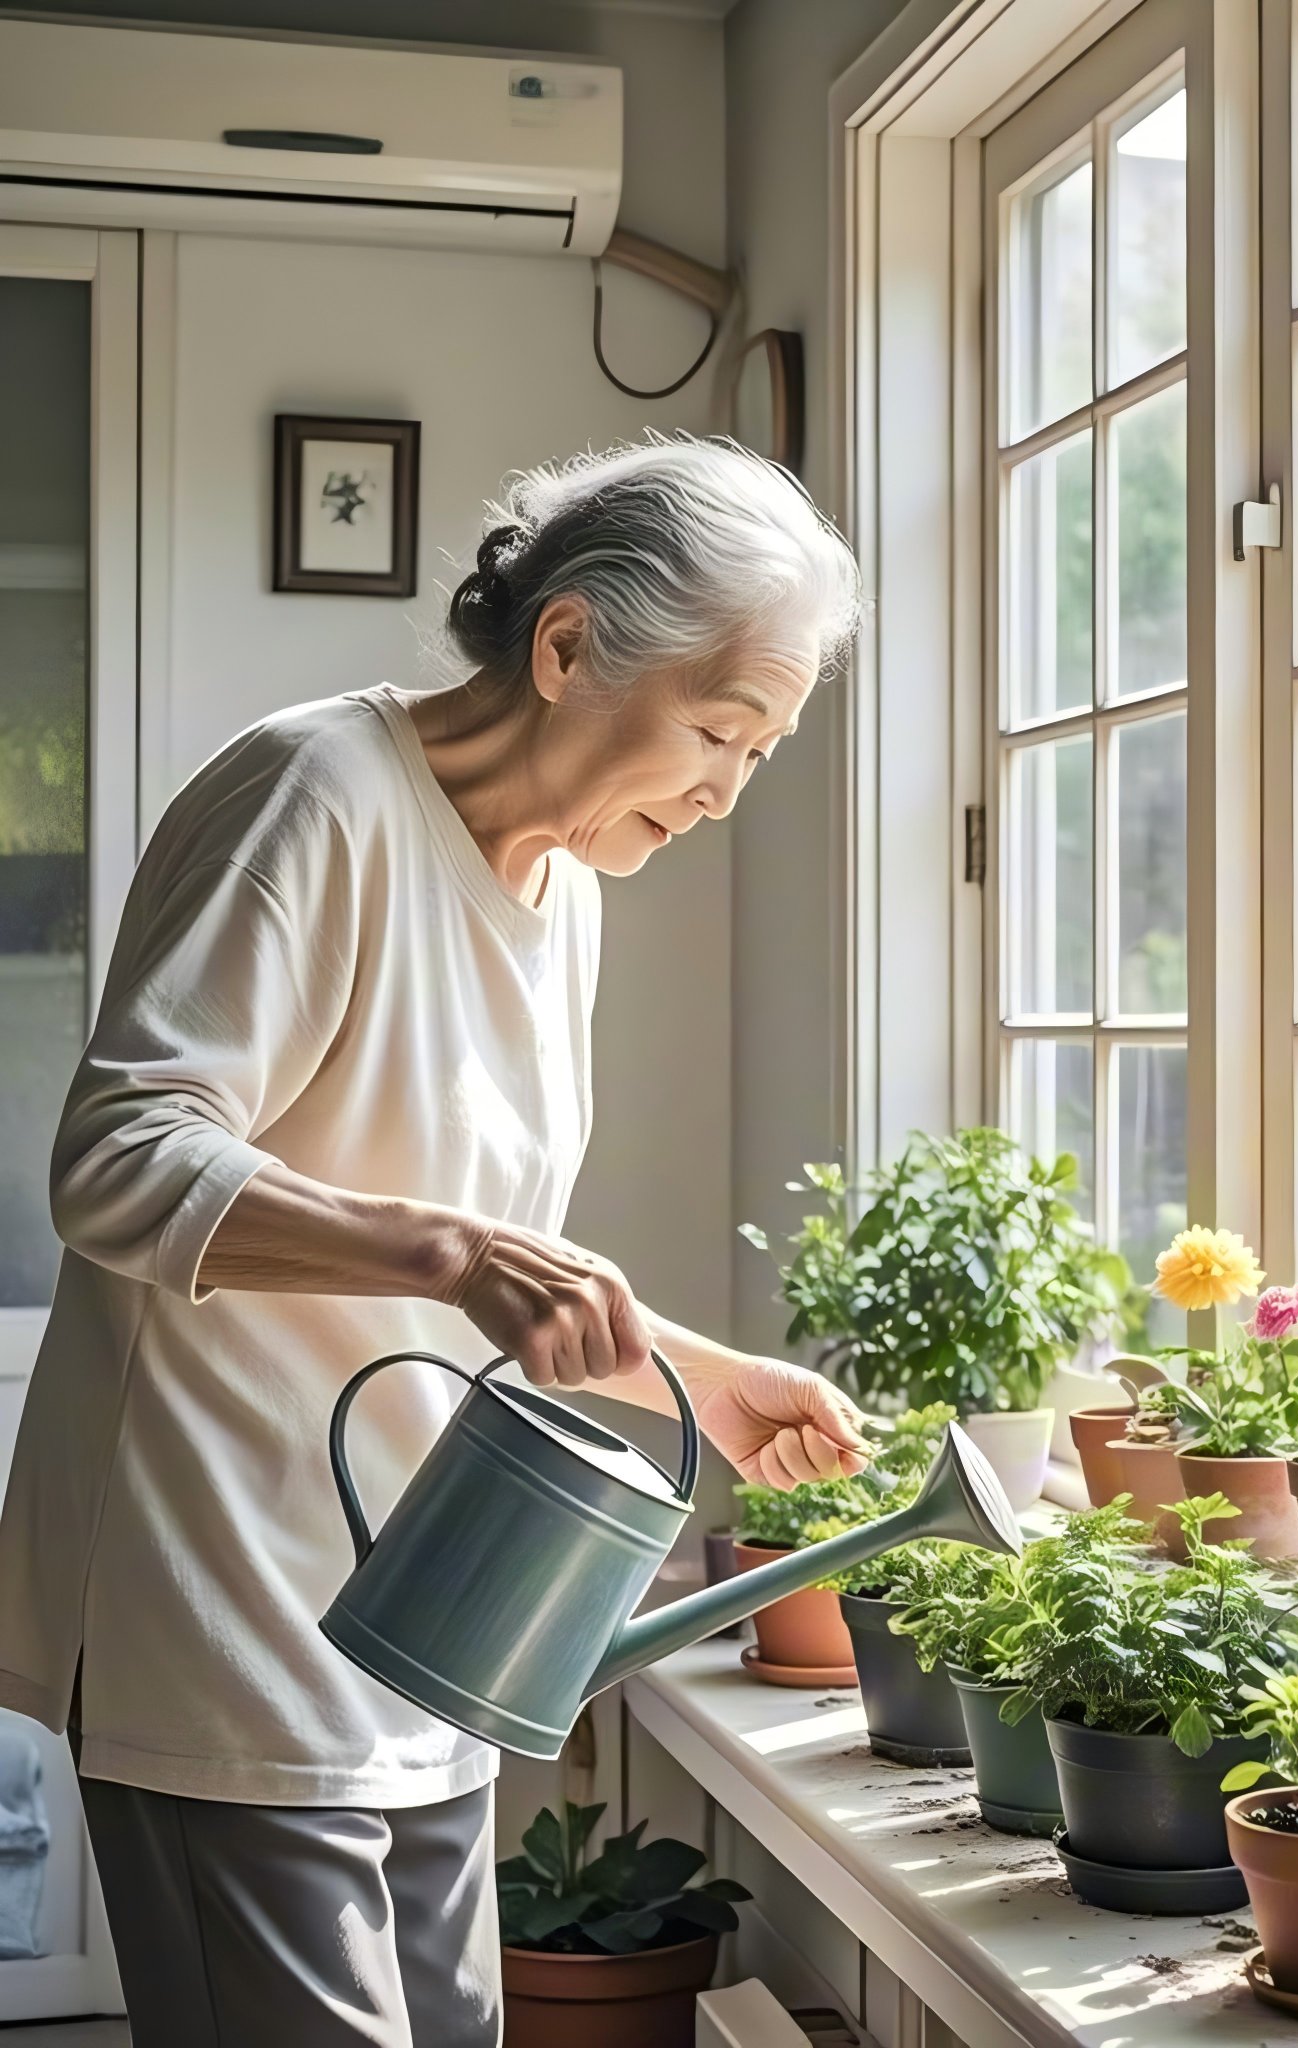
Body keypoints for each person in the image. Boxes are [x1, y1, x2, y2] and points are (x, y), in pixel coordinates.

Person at [0, 435, 871, 2045]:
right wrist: (460, 1255)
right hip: (225, 1602)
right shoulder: (314, 795)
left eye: (761, 754)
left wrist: (697, 1372)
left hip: (428, 1604)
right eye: (718, 731)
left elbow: (485, 1247)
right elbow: (121, 1162)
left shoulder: (565, 887)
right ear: (566, 647)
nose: (726, 792)